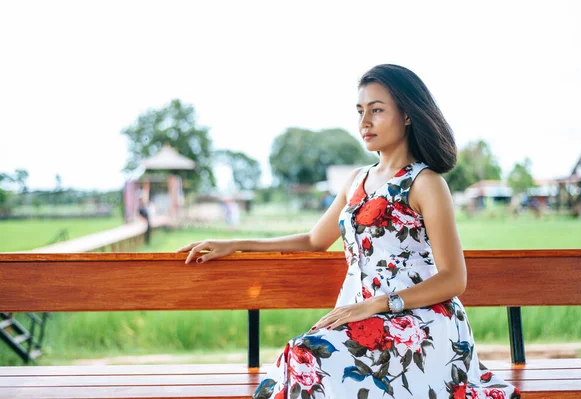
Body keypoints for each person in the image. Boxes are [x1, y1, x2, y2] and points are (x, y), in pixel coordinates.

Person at [176, 64, 521, 398]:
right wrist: (235, 244)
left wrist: (378, 304)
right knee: (296, 361)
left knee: (306, 355)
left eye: (377, 110)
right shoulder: (357, 180)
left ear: (407, 115)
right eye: (360, 111)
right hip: (360, 322)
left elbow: (454, 278)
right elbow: (314, 240)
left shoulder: (425, 183)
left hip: (419, 324)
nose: (364, 122)